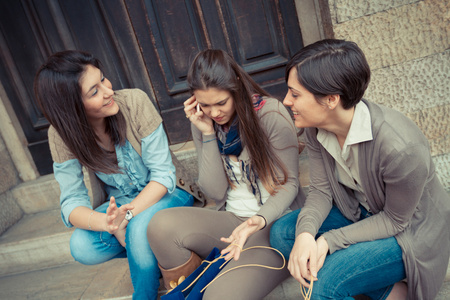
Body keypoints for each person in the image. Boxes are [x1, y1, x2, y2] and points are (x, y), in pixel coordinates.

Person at [270, 39, 450, 300]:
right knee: (285, 235)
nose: (286, 101)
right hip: (360, 214)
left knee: (326, 283)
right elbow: (321, 192)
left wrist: (327, 241)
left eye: (295, 94)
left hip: (409, 233)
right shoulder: (314, 127)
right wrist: (307, 235)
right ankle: (389, 293)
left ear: (331, 99)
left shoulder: (401, 148)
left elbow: (395, 220)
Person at [33, 50, 194, 300]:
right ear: (73, 107)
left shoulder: (134, 102)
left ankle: (144, 294)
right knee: (81, 247)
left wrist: (126, 217)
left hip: (169, 194)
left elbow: (163, 175)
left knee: (139, 226)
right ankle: (149, 254)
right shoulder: (61, 135)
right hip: (120, 209)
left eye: (103, 79)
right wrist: (109, 224)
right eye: (94, 91)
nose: (108, 91)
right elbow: (71, 203)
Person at [147, 49, 306, 299]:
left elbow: (290, 185)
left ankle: (219, 279)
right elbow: (214, 191)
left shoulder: (270, 114)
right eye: (205, 104)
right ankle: (196, 285)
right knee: (159, 226)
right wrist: (207, 133)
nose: (214, 112)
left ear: (237, 88)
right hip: (232, 219)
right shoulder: (205, 122)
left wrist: (257, 221)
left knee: (218, 297)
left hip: (274, 225)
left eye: (221, 103)